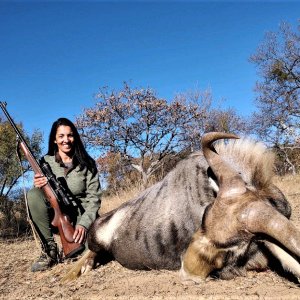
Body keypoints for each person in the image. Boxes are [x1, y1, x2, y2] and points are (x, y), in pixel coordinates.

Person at [27, 117, 101, 272]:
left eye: (70, 135)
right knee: (33, 194)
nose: (66, 140)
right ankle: (49, 251)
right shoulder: (44, 162)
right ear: (54, 139)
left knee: (88, 249)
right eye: (61, 136)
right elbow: (43, 195)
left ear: (75, 137)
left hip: (82, 215)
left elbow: (94, 198)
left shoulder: (88, 163)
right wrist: (39, 185)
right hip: (57, 216)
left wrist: (84, 224)